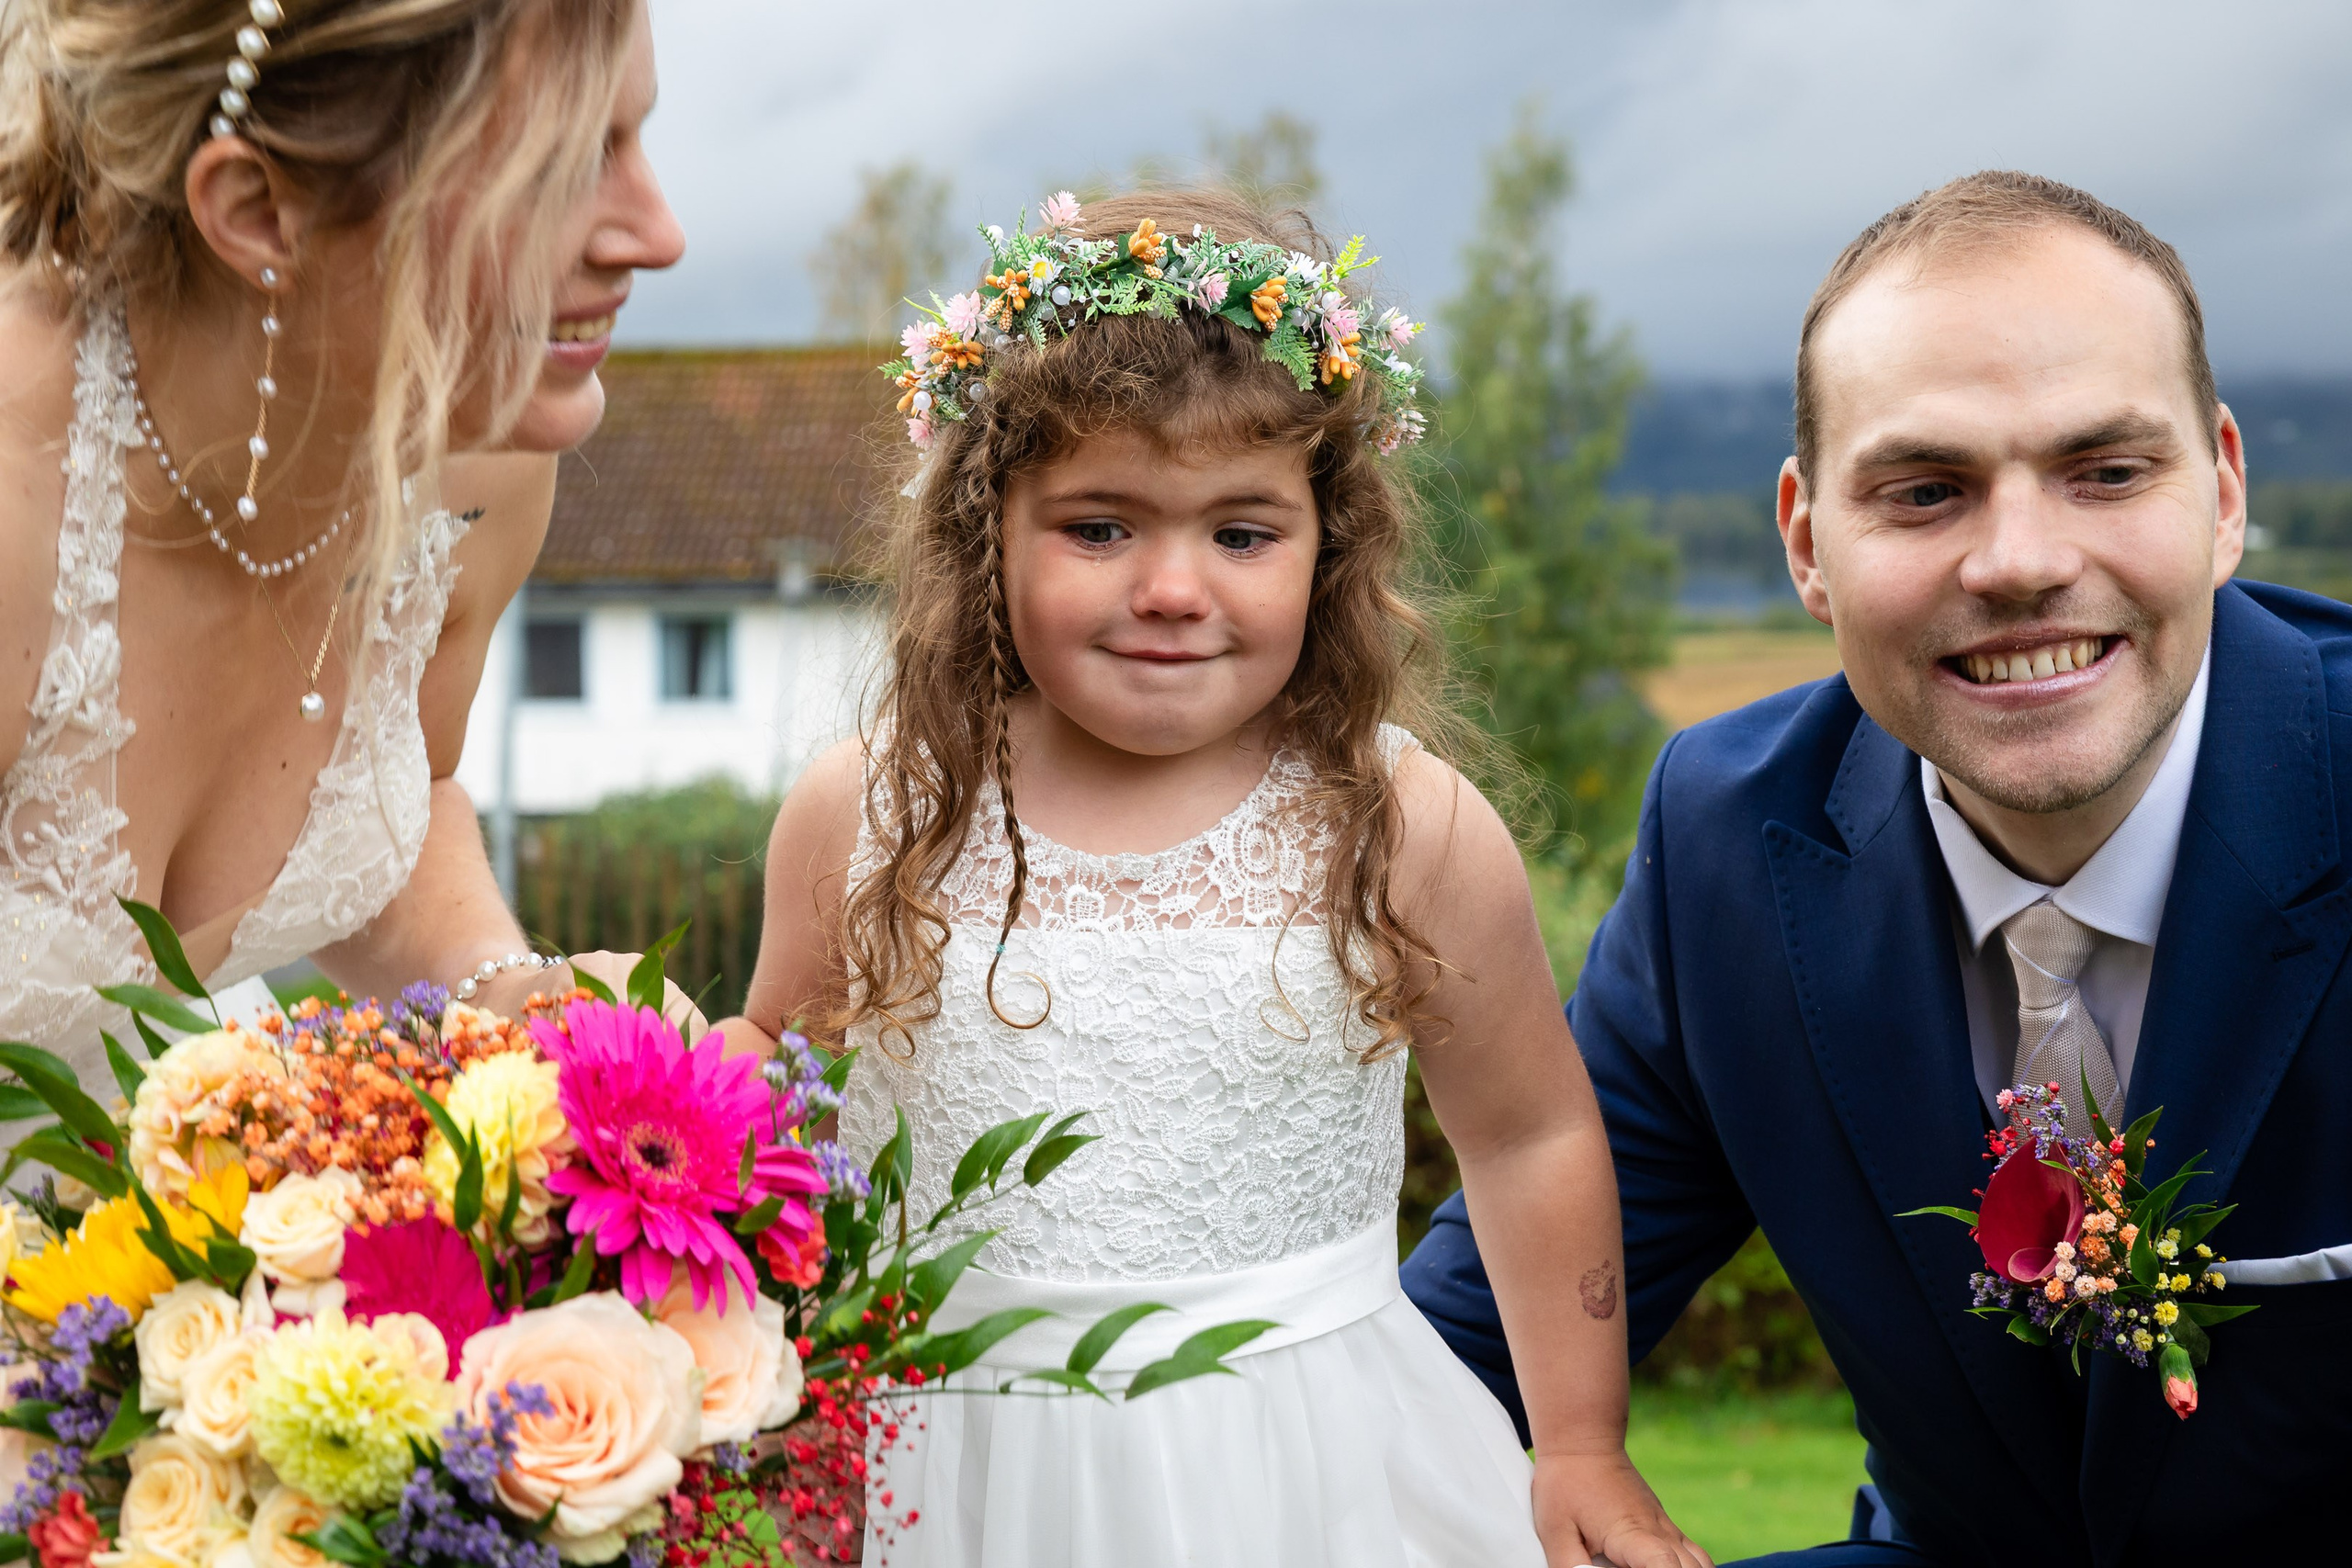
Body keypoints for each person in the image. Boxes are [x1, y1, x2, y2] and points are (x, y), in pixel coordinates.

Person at [720, 188, 1705, 1567]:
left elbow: (1527, 1135)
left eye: (1242, 534)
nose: (1174, 588)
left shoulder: (1402, 823)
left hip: (1312, 1464)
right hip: (947, 1464)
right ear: (987, 529)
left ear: (1328, 545)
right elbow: (771, 1094)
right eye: (1100, 527)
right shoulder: (875, 809)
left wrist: (1582, 1443)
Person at [1403, 170, 2352, 1563]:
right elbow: (1457, 1345)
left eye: (2105, 471)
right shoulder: (1726, 844)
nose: (2019, 561)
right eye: (1924, 492)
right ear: (1807, 543)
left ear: (2223, 491)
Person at [0, 0, 687, 1085]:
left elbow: (390, 802)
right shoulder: (17, 500)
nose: (658, 234)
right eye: (556, 167)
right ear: (258, 211)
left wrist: (494, 986)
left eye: (636, 137)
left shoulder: (476, 455)